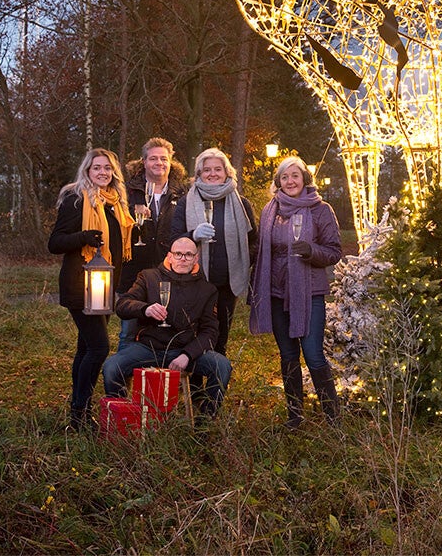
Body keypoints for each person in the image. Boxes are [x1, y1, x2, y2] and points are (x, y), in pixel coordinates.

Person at [249, 156, 342, 428]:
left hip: (309, 293)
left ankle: (332, 416)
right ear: (278, 182)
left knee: (313, 354)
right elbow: (260, 249)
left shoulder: (320, 209)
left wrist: (311, 251)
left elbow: (334, 251)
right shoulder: (270, 210)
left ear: (304, 179)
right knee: (288, 355)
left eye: (295, 176)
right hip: (276, 294)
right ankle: (295, 416)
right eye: (285, 177)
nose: (290, 181)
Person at [48, 148, 134, 430]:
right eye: (96, 167)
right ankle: (79, 412)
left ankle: (78, 413)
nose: (102, 173)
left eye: (107, 168)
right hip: (79, 283)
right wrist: (82, 237)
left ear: (114, 172)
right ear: (87, 171)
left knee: (86, 347)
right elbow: (55, 242)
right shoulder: (76, 199)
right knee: (99, 347)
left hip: (104, 284)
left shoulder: (116, 203)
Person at [102, 237, 232, 420]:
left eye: (188, 255)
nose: (183, 259)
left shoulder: (207, 289)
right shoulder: (148, 277)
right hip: (148, 348)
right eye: (178, 254)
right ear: (170, 256)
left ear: (196, 259)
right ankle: (123, 418)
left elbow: (210, 332)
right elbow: (123, 305)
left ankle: (206, 420)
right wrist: (145, 309)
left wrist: (187, 355)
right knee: (112, 367)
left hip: (183, 350)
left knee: (222, 366)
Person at [171, 147, 256, 355]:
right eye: (206, 170)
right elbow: (173, 240)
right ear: (198, 174)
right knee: (194, 333)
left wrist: (241, 263)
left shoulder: (241, 203)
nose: (212, 174)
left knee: (221, 334)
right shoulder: (186, 202)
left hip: (227, 283)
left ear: (227, 172)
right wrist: (193, 236)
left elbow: (254, 241)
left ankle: (217, 384)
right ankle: (196, 383)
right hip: (194, 281)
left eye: (218, 169)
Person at [118, 137, 188, 350]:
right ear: (144, 161)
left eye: (164, 159)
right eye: (153, 158)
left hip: (168, 273)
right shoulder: (127, 191)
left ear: (170, 162)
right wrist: (132, 214)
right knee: (129, 332)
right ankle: (122, 378)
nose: (159, 163)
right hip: (133, 272)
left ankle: (164, 378)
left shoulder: (181, 192)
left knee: (167, 331)